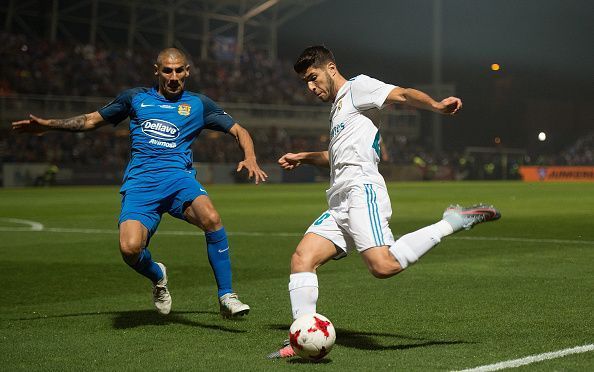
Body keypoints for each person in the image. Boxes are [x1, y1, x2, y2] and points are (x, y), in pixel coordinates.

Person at [268, 45, 501, 358]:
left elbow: (402, 94)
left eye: (313, 77)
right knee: (302, 259)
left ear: (331, 68)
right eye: (305, 82)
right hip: (340, 200)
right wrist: (305, 157)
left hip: (361, 191)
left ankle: (454, 221)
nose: (310, 86)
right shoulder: (338, 108)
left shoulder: (358, 88)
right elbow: (337, 157)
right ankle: (299, 339)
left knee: (383, 266)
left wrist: (436, 105)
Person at [12, 48, 268, 318]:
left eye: (179, 70)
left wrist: (250, 157)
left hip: (178, 180)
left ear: (187, 71)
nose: (173, 76)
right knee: (130, 249)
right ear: (156, 71)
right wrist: (49, 125)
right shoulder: (134, 98)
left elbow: (239, 130)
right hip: (141, 184)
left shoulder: (198, 104)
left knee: (212, 218)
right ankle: (158, 275)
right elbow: (91, 120)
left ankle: (227, 295)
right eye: (167, 70)